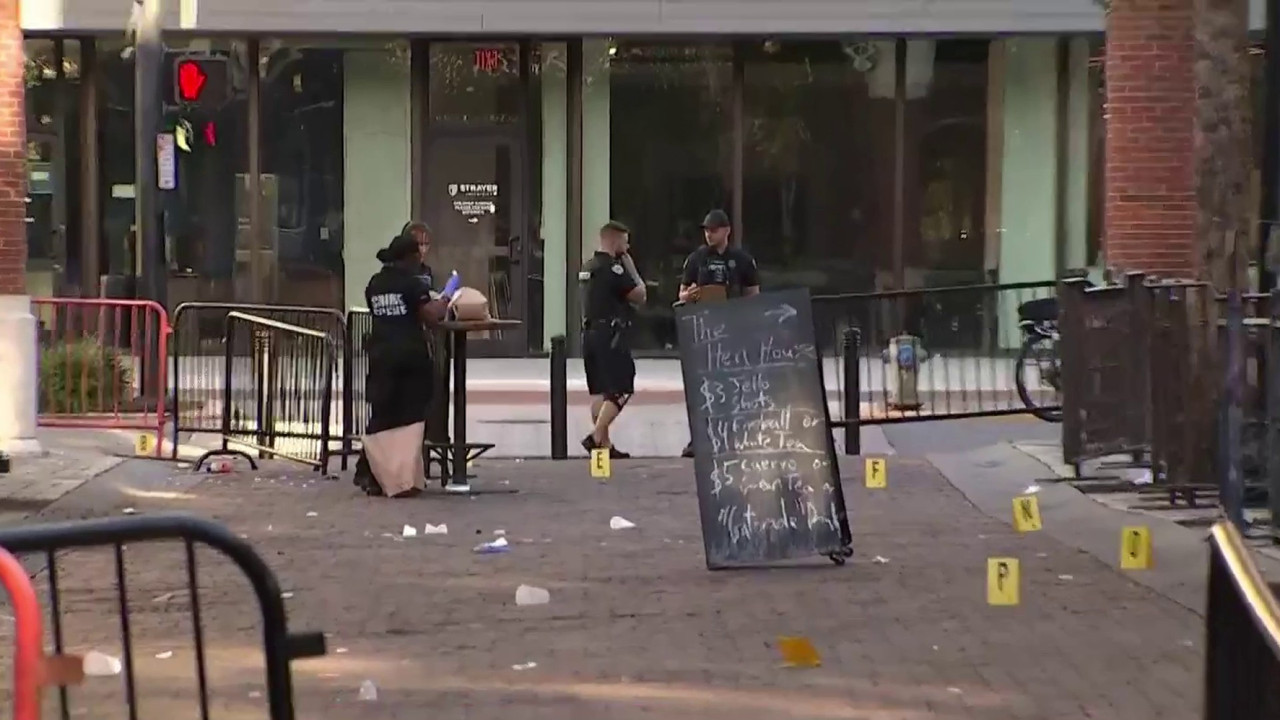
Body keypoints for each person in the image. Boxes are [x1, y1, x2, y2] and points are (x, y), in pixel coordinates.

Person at [353, 233, 448, 497]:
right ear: (410, 257)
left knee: (382, 414)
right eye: (418, 255)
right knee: (409, 417)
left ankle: (370, 472)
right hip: (409, 358)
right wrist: (444, 301)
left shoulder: (375, 284)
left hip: (381, 355)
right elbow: (430, 316)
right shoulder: (412, 284)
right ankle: (399, 475)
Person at [678, 209, 761, 458]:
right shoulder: (696, 259)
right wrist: (689, 296)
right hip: (705, 329)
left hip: (734, 327)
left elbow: (753, 294)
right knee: (703, 385)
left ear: (726, 231)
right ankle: (700, 438)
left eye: (713, 230)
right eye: (706, 230)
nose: (709, 234)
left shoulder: (743, 260)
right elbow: (681, 294)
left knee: (733, 384)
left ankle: (733, 436)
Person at [581, 221, 647, 459]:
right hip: (610, 335)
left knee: (600, 391)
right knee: (622, 387)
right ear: (615, 240)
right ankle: (597, 435)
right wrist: (631, 269)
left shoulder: (588, 267)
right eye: (625, 241)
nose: (627, 246)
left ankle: (604, 446)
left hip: (589, 334)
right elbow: (640, 296)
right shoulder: (613, 269)